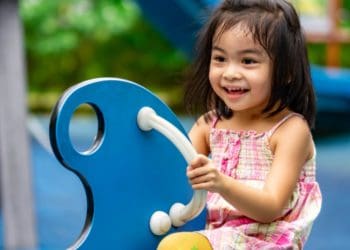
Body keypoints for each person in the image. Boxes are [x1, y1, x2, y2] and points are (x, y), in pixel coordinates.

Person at [157, 0, 322, 249]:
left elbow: (270, 207)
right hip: (212, 234)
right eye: (220, 58)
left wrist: (221, 183)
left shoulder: (290, 131)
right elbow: (171, 175)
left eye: (248, 61)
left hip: (262, 242)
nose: (230, 72)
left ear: (286, 71)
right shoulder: (210, 125)